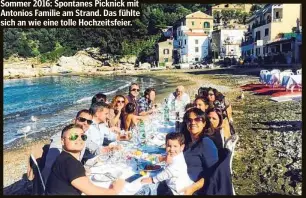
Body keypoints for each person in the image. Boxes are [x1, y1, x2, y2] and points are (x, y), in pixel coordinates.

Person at [45, 124, 125, 195]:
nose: (79, 139)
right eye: (73, 136)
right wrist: (115, 190)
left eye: (83, 136)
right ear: (62, 141)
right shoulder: (70, 162)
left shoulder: (63, 157)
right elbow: (94, 192)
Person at [42, 109, 93, 183]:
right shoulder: (62, 139)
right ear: (75, 120)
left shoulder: (82, 136)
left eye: (89, 122)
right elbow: (50, 168)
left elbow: (93, 147)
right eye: (82, 119)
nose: (85, 123)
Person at [180, 108, 219, 195]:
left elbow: (214, 172)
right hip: (183, 183)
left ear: (204, 123)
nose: (193, 123)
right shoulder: (188, 141)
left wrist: (192, 188)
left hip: (196, 190)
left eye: (197, 119)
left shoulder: (206, 143)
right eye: (189, 120)